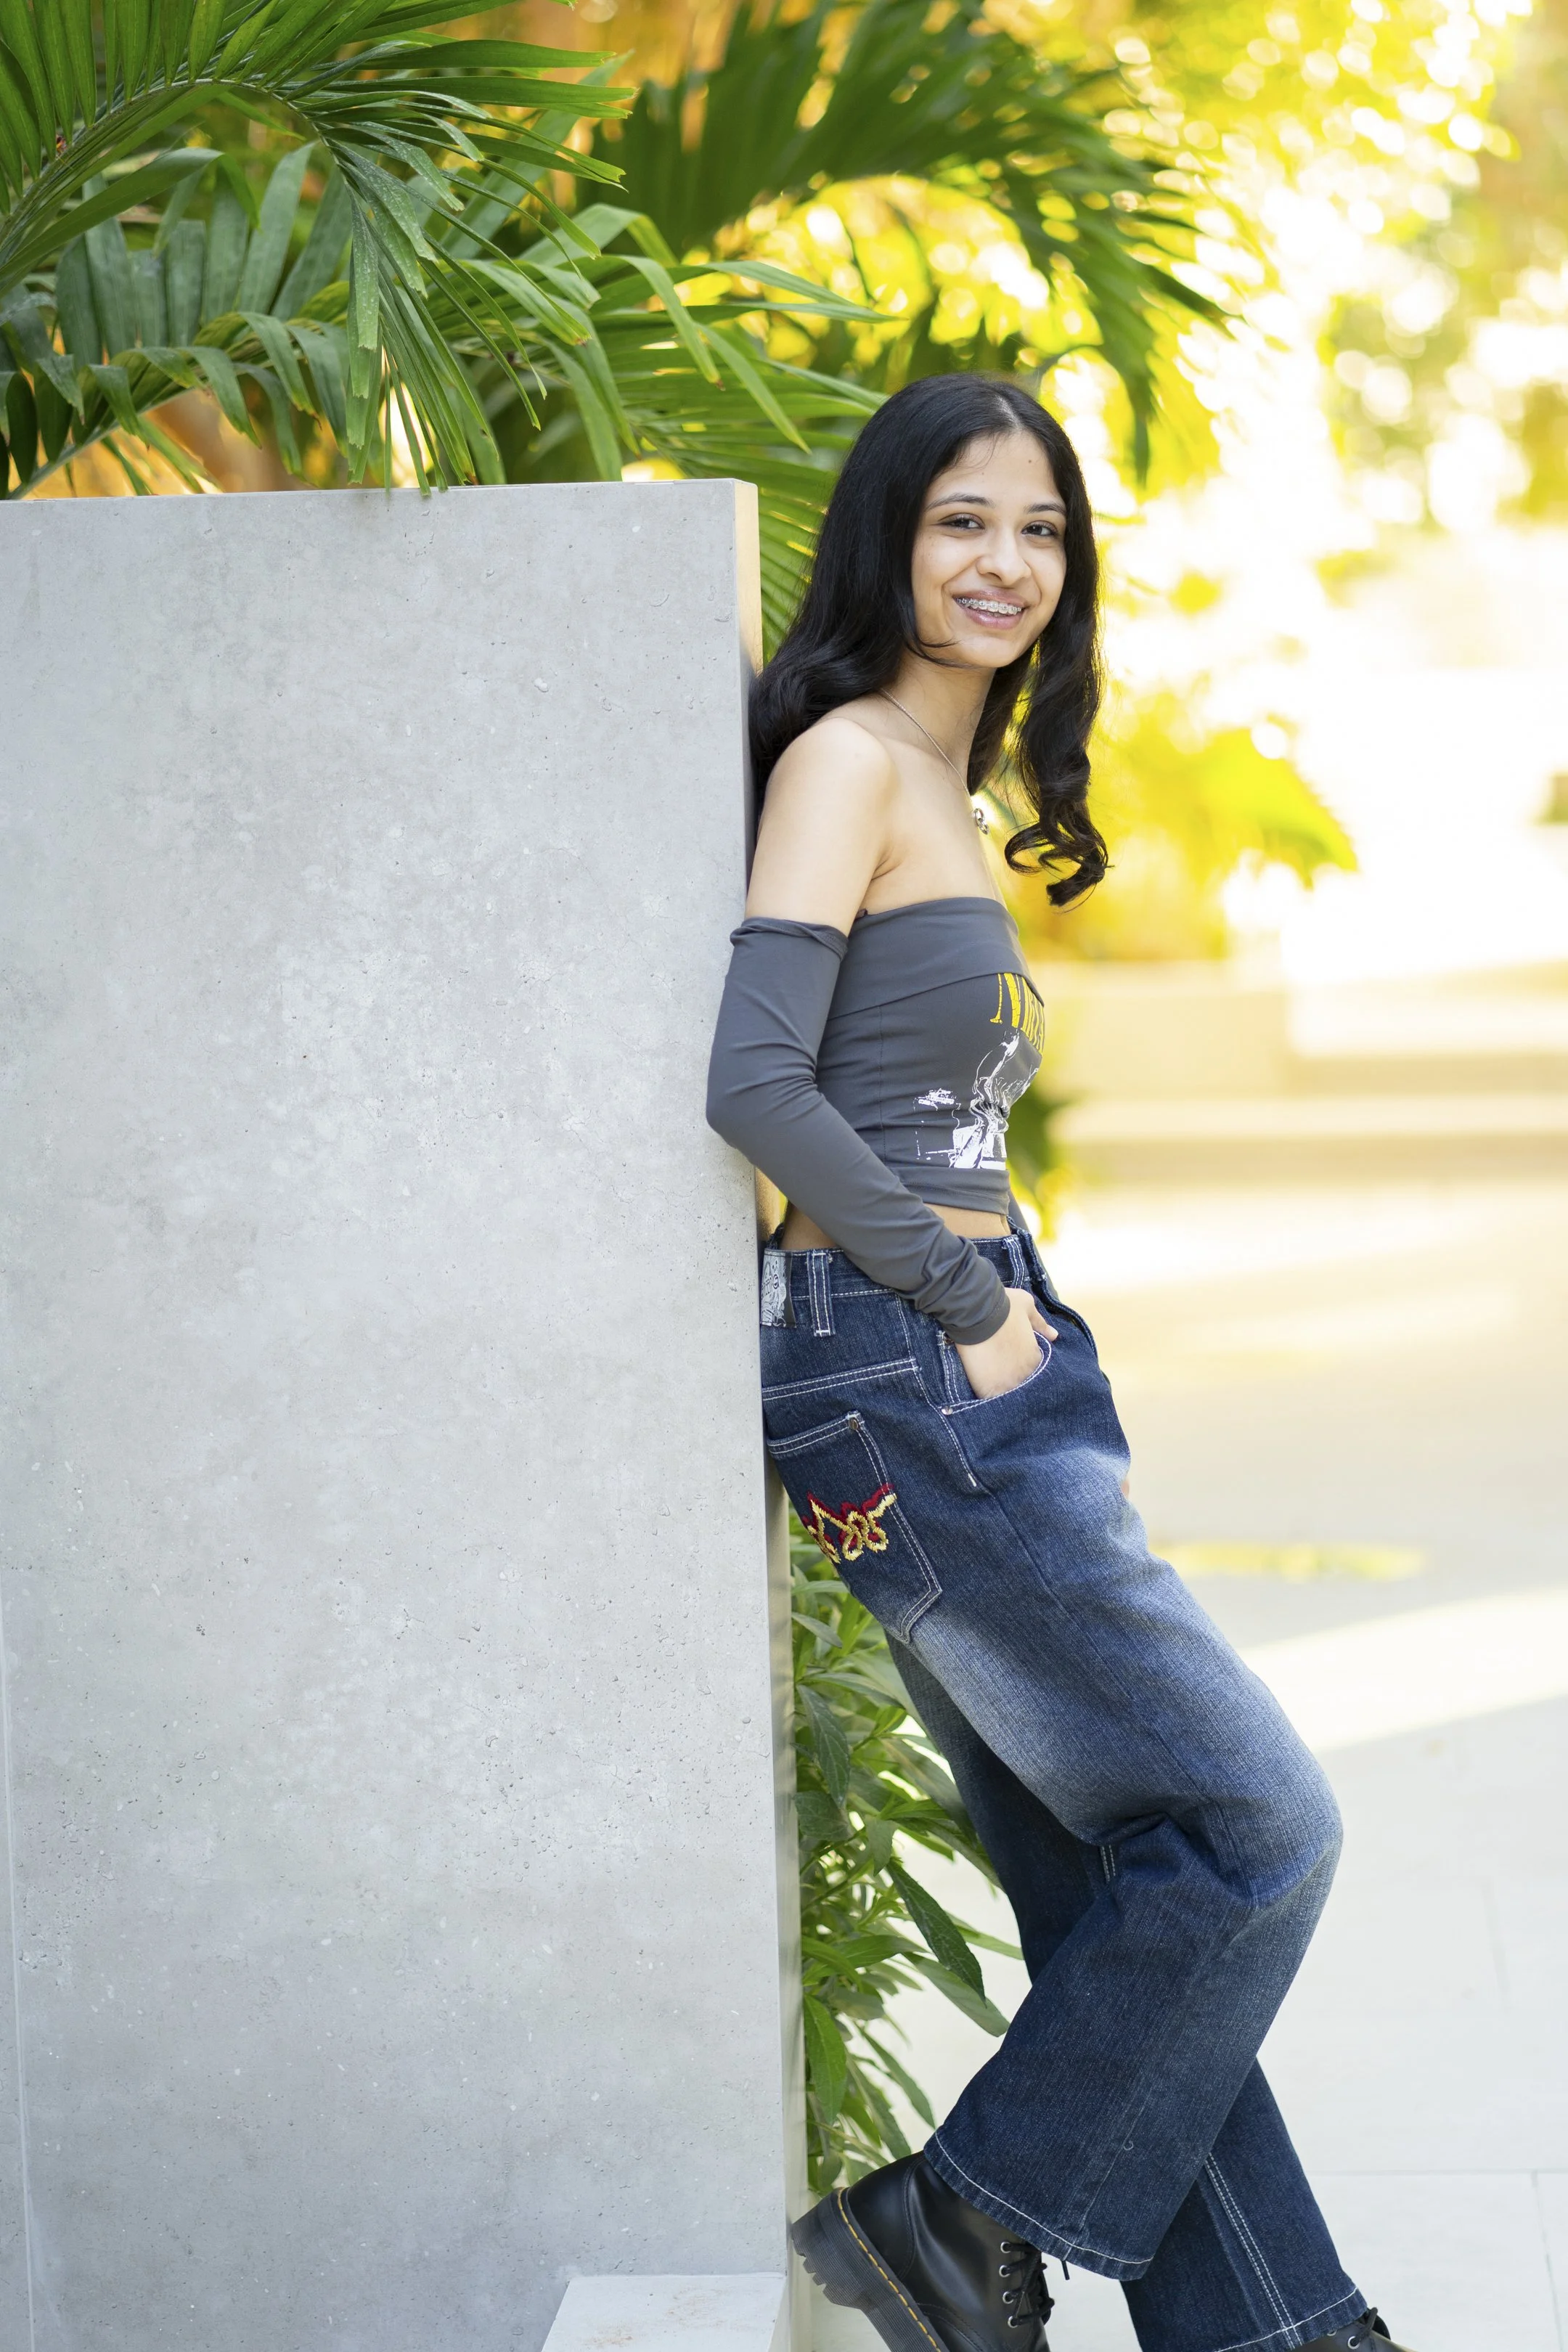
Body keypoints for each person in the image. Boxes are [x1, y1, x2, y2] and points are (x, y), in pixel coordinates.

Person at [706, 375, 1411, 2352]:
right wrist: (966, 1294)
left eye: (1039, 530)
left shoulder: (949, 791)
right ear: (887, 541)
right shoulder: (848, 761)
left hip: (961, 1364)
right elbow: (750, 1082)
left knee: (1132, 1901)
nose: (1004, 562)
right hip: (917, 1366)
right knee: (1264, 1826)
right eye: (960, 522)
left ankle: (1279, 2332)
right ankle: (952, 2227)